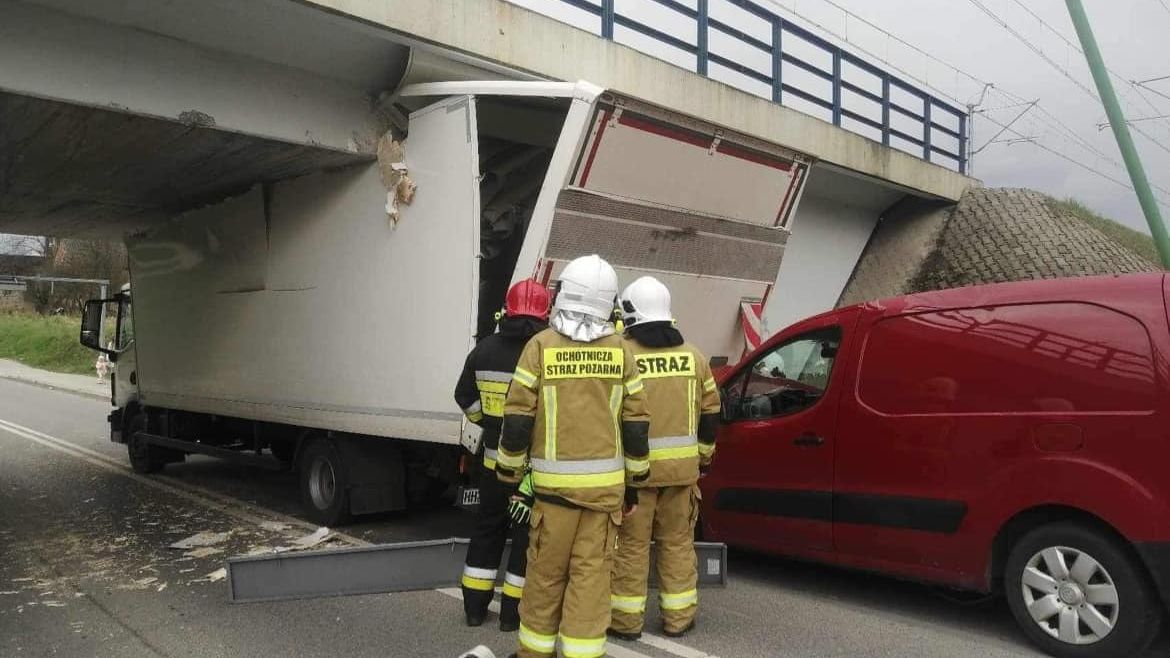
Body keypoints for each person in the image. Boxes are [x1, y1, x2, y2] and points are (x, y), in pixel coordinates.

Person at [496, 254, 651, 658]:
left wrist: (509, 475)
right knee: (590, 583)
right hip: (603, 501)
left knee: (544, 580)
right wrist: (634, 486)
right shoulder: (622, 353)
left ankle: (534, 654)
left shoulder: (539, 348)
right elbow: (636, 425)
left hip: (551, 497)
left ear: (565, 294)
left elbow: (516, 419)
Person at [607, 276, 721, 641]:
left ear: (630, 313)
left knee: (631, 549)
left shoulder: (624, 355)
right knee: (677, 546)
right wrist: (703, 458)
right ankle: (679, 618)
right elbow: (710, 414)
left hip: (636, 477)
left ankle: (625, 622)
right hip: (682, 476)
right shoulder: (694, 356)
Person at [454, 279, 552, 631]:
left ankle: (475, 609)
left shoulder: (484, 350)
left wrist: (489, 424)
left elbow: (463, 396)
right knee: (525, 541)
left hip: (492, 461)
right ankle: (512, 617)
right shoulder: (546, 351)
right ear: (546, 313)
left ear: (507, 310)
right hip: (530, 472)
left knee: (487, 531)